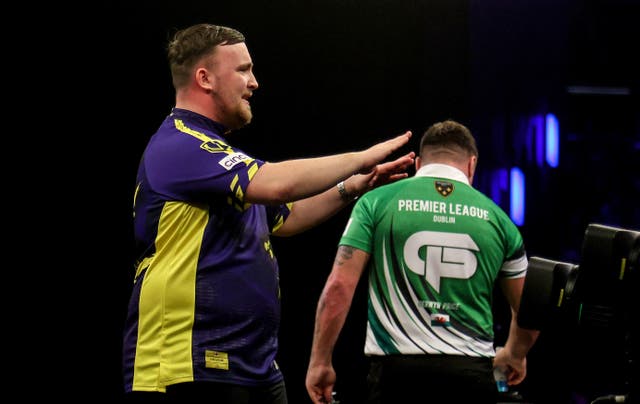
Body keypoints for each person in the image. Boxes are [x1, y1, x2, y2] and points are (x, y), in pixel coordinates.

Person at [121, 23, 415, 404]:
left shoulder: (218, 155)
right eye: (242, 69)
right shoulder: (178, 145)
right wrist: (359, 157)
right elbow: (279, 184)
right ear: (204, 78)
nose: (254, 82)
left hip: (254, 364)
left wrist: (353, 186)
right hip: (189, 364)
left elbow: (286, 216)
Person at [305, 119, 540, 404]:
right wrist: (514, 354)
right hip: (470, 375)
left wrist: (320, 360)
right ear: (471, 165)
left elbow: (339, 287)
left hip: (397, 374)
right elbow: (530, 310)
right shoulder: (500, 221)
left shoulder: (376, 203)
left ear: (418, 163)